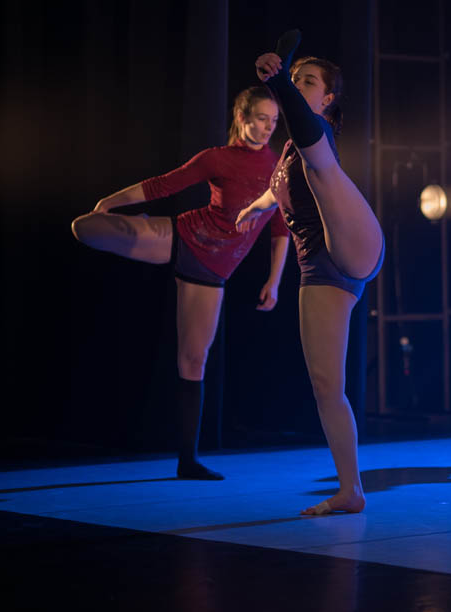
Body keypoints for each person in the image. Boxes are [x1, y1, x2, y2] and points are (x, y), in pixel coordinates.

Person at [70, 86, 290, 480]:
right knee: (84, 226)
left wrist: (274, 281)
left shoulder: (277, 168)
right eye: (261, 119)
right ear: (242, 118)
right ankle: (130, 225)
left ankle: (187, 461)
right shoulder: (217, 158)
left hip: (212, 270)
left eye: (273, 121)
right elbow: (164, 184)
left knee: (193, 360)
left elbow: (279, 229)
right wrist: (111, 202)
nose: (268, 128)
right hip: (185, 237)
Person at [236, 30, 383, 515]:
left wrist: (280, 81)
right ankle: (350, 490)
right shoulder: (287, 153)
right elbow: (277, 188)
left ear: (328, 98)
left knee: (322, 164)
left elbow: (302, 125)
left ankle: (351, 489)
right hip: (315, 264)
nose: (300, 86)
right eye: (296, 79)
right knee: (325, 385)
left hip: (345, 246)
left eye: (308, 81)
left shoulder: (317, 131)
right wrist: (256, 208)